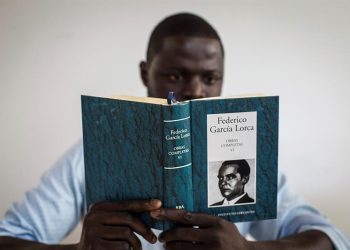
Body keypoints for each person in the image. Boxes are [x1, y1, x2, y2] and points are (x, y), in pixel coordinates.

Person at [0, 12, 349, 250]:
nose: (196, 90)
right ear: (144, 73)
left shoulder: (243, 156)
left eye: (210, 78)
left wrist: (246, 248)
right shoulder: (92, 154)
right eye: (175, 75)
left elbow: (332, 239)